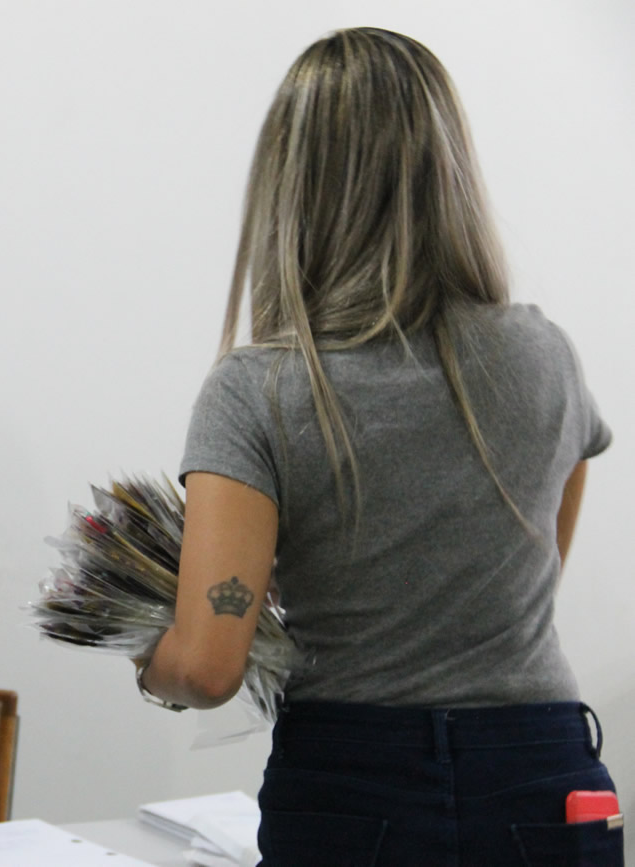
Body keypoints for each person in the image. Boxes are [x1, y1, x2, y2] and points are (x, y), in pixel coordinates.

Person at [135, 27, 620, 865]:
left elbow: (209, 668)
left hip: (354, 786)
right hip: (540, 772)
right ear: (450, 172)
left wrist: (153, 659)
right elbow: (536, 555)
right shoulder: (545, 355)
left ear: (290, 185)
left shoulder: (257, 389)